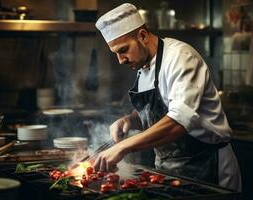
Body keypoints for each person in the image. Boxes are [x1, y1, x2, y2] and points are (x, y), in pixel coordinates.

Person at [94, 3, 241, 191]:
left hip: (207, 167)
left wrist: (123, 147)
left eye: (123, 50)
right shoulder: (143, 65)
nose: (121, 60)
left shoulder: (181, 57)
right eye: (115, 53)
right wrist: (131, 120)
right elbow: (159, 108)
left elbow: (179, 120)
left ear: (143, 36)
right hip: (168, 170)